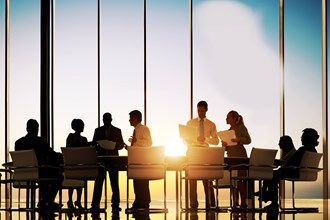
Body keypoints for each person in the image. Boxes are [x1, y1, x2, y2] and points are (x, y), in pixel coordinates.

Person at [15, 119, 63, 218]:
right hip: (39, 172)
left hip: (23, 173)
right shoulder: (40, 141)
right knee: (58, 177)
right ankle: (47, 201)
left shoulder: (18, 143)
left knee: (45, 179)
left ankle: (47, 202)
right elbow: (51, 154)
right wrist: (62, 156)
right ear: (37, 129)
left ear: (27, 128)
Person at [264, 128, 319, 210]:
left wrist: (283, 166)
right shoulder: (314, 151)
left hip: (296, 173)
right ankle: (266, 194)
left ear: (307, 138)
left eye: (302, 136)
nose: (301, 138)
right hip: (306, 173)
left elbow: (292, 162)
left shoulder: (302, 149)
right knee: (274, 174)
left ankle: (272, 200)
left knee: (273, 174)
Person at [186, 101, 219, 209]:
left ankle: (211, 204)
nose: (200, 113)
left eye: (202, 110)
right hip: (193, 152)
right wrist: (194, 139)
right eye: (198, 110)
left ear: (206, 110)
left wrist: (205, 139)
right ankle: (193, 205)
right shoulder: (190, 123)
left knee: (207, 179)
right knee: (192, 179)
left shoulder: (211, 124)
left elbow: (216, 141)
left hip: (205, 153)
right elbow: (185, 140)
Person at [91, 112, 125, 212]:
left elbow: (121, 144)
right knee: (99, 182)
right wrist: (100, 145)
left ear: (111, 120)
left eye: (107, 119)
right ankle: (95, 204)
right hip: (101, 159)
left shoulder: (117, 130)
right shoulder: (98, 130)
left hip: (113, 159)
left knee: (114, 182)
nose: (105, 121)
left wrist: (113, 145)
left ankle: (115, 204)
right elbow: (94, 143)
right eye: (104, 119)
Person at [221, 110, 251, 209]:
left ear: (234, 118)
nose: (226, 119)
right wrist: (224, 146)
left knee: (240, 180)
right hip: (230, 156)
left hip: (240, 155)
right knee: (233, 180)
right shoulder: (228, 131)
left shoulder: (241, 127)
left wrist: (239, 139)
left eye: (228, 117)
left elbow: (248, 140)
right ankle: (235, 202)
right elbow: (227, 147)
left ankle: (243, 202)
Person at [255, 135, 296, 202]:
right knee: (271, 174)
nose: (278, 144)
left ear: (285, 143)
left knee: (272, 175)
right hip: (287, 171)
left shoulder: (291, 153)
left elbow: (283, 162)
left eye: (280, 142)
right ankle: (265, 193)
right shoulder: (289, 152)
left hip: (289, 172)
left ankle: (266, 194)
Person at [128, 110, 153, 209]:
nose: (129, 120)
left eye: (130, 118)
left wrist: (136, 141)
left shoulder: (144, 129)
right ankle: (139, 201)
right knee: (137, 182)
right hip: (136, 159)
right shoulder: (136, 130)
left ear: (135, 118)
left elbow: (148, 143)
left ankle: (143, 201)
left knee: (141, 182)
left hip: (142, 161)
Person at [66, 119, 89, 209]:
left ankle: (71, 200)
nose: (83, 126)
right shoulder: (83, 139)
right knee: (80, 179)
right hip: (79, 164)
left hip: (72, 164)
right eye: (82, 125)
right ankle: (77, 200)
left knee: (73, 180)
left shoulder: (70, 137)